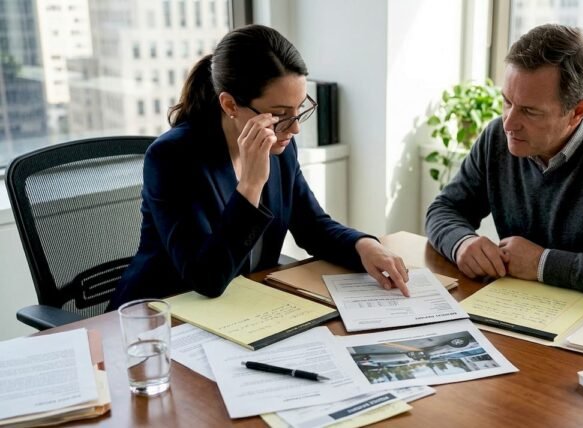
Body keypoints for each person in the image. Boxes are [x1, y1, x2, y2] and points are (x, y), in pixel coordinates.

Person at [108, 25, 409, 309]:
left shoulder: (281, 146)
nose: (294, 130)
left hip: (243, 305)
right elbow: (205, 279)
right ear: (229, 105)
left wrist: (364, 246)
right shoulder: (173, 157)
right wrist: (250, 185)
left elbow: (313, 227)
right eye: (279, 114)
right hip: (163, 314)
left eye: (299, 109)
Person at [425, 24, 583, 306]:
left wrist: (542, 264)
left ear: (577, 112)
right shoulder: (497, 138)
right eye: (507, 102)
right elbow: (444, 209)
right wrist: (462, 242)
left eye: (529, 111)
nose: (509, 123)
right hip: (522, 309)